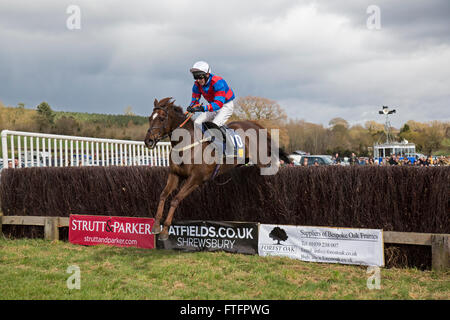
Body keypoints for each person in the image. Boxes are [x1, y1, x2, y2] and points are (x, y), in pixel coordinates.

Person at [186, 61, 236, 156]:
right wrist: (192, 107)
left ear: (207, 74)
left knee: (215, 124)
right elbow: (195, 100)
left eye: (200, 77)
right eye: (195, 77)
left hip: (225, 105)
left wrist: (202, 108)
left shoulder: (218, 82)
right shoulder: (196, 85)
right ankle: (201, 146)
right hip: (213, 106)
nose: (198, 80)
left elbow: (218, 104)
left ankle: (231, 147)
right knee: (197, 122)